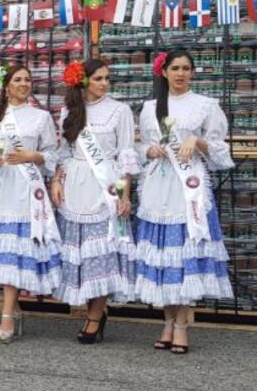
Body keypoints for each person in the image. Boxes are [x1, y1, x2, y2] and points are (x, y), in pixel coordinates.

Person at [133, 50, 233, 354]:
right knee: (165, 258)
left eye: (186, 68)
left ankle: (181, 324)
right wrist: (149, 151)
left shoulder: (205, 105)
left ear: (192, 72)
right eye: (175, 68)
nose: (180, 73)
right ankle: (167, 321)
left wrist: (196, 141)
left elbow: (220, 151)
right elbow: (140, 146)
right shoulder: (150, 108)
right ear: (164, 72)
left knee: (184, 257)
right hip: (157, 188)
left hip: (189, 190)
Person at [0, 64, 62, 343]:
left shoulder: (41, 117)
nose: (24, 83)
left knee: (16, 252)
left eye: (27, 79)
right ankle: (15, 309)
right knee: (2, 252)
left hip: (25, 190)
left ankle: (7, 316)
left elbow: (52, 154)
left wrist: (31, 157)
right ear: (6, 85)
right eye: (18, 79)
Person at [50, 59, 138, 344]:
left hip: (105, 185)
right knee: (81, 253)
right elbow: (64, 151)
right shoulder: (70, 110)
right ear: (84, 81)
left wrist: (125, 194)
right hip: (75, 185)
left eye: (107, 78)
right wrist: (56, 180)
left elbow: (126, 154)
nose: (104, 83)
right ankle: (93, 311)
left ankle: (95, 316)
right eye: (98, 78)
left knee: (101, 252)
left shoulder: (120, 111)